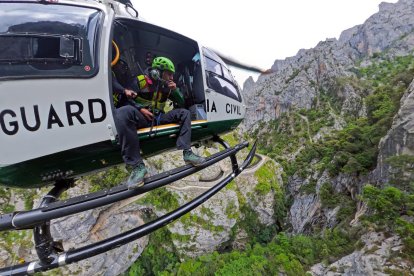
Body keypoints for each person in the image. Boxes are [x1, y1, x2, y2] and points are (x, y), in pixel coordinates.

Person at [114, 56, 205, 190]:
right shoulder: (141, 81)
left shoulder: (167, 87)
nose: (172, 77)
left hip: (159, 118)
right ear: (158, 72)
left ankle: (187, 153)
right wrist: (140, 109)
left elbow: (182, 103)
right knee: (123, 112)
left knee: (184, 113)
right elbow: (123, 100)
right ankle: (137, 167)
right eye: (169, 73)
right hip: (142, 117)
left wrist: (175, 91)